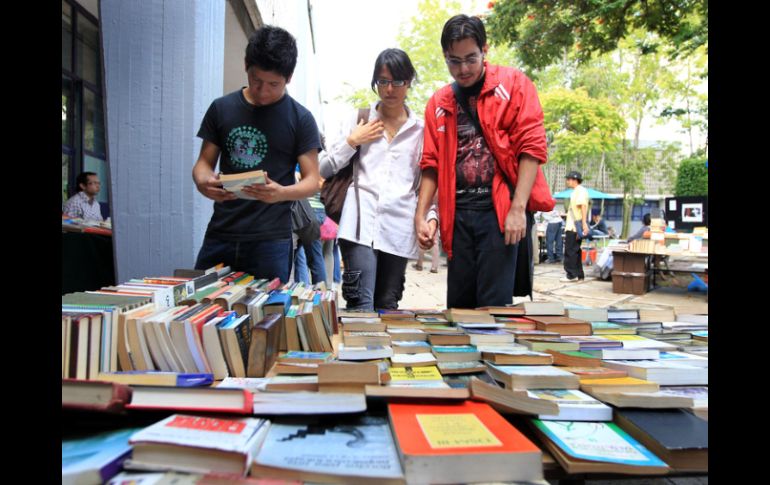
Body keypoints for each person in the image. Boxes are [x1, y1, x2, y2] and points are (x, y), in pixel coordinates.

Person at [414, 14, 552, 309]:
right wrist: (421, 215)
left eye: (471, 59)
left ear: (484, 50)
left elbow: (531, 148)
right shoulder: (439, 102)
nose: (463, 69)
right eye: (454, 61)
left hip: (498, 212)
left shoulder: (514, 84)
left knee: (494, 309)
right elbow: (431, 164)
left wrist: (518, 209)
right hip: (457, 215)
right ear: (444, 55)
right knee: (459, 308)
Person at [192, 26, 321, 283]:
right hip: (221, 232)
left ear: (289, 78)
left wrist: (281, 193)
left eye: (273, 84)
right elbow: (203, 164)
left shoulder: (301, 119)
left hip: (271, 240)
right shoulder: (221, 108)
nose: (263, 91)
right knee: (200, 302)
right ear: (246, 66)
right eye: (256, 80)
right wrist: (203, 182)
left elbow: (312, 181)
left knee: (268, 308)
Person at [319, 48, 424, 311]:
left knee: (388, 306)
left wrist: (429, 217)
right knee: (360, 306)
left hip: (399, 226)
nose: (389, 89)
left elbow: (424, 183)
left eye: (397, 81)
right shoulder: (359, 119)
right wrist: (352, 141)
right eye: (382, 81)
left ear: (409, 81)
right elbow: (323, 169)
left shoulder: (420, 130)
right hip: (359, 224)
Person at [561, 171, 589, 282]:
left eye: (569, 179)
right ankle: (579, 274)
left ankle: (571, 274)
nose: (567, 181)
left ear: (575, 180)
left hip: (574, 226)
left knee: (570, 251)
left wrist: (583, 224)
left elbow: (583, 207)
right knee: (575, 250)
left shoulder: (580, 191)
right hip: (573, 224)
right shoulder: (576, 191)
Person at [413, 193, 441, 273]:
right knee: (435, 241)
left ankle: (419, 264)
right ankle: (434, 267)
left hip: (426, 211)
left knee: (422, 237)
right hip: (435, 211)